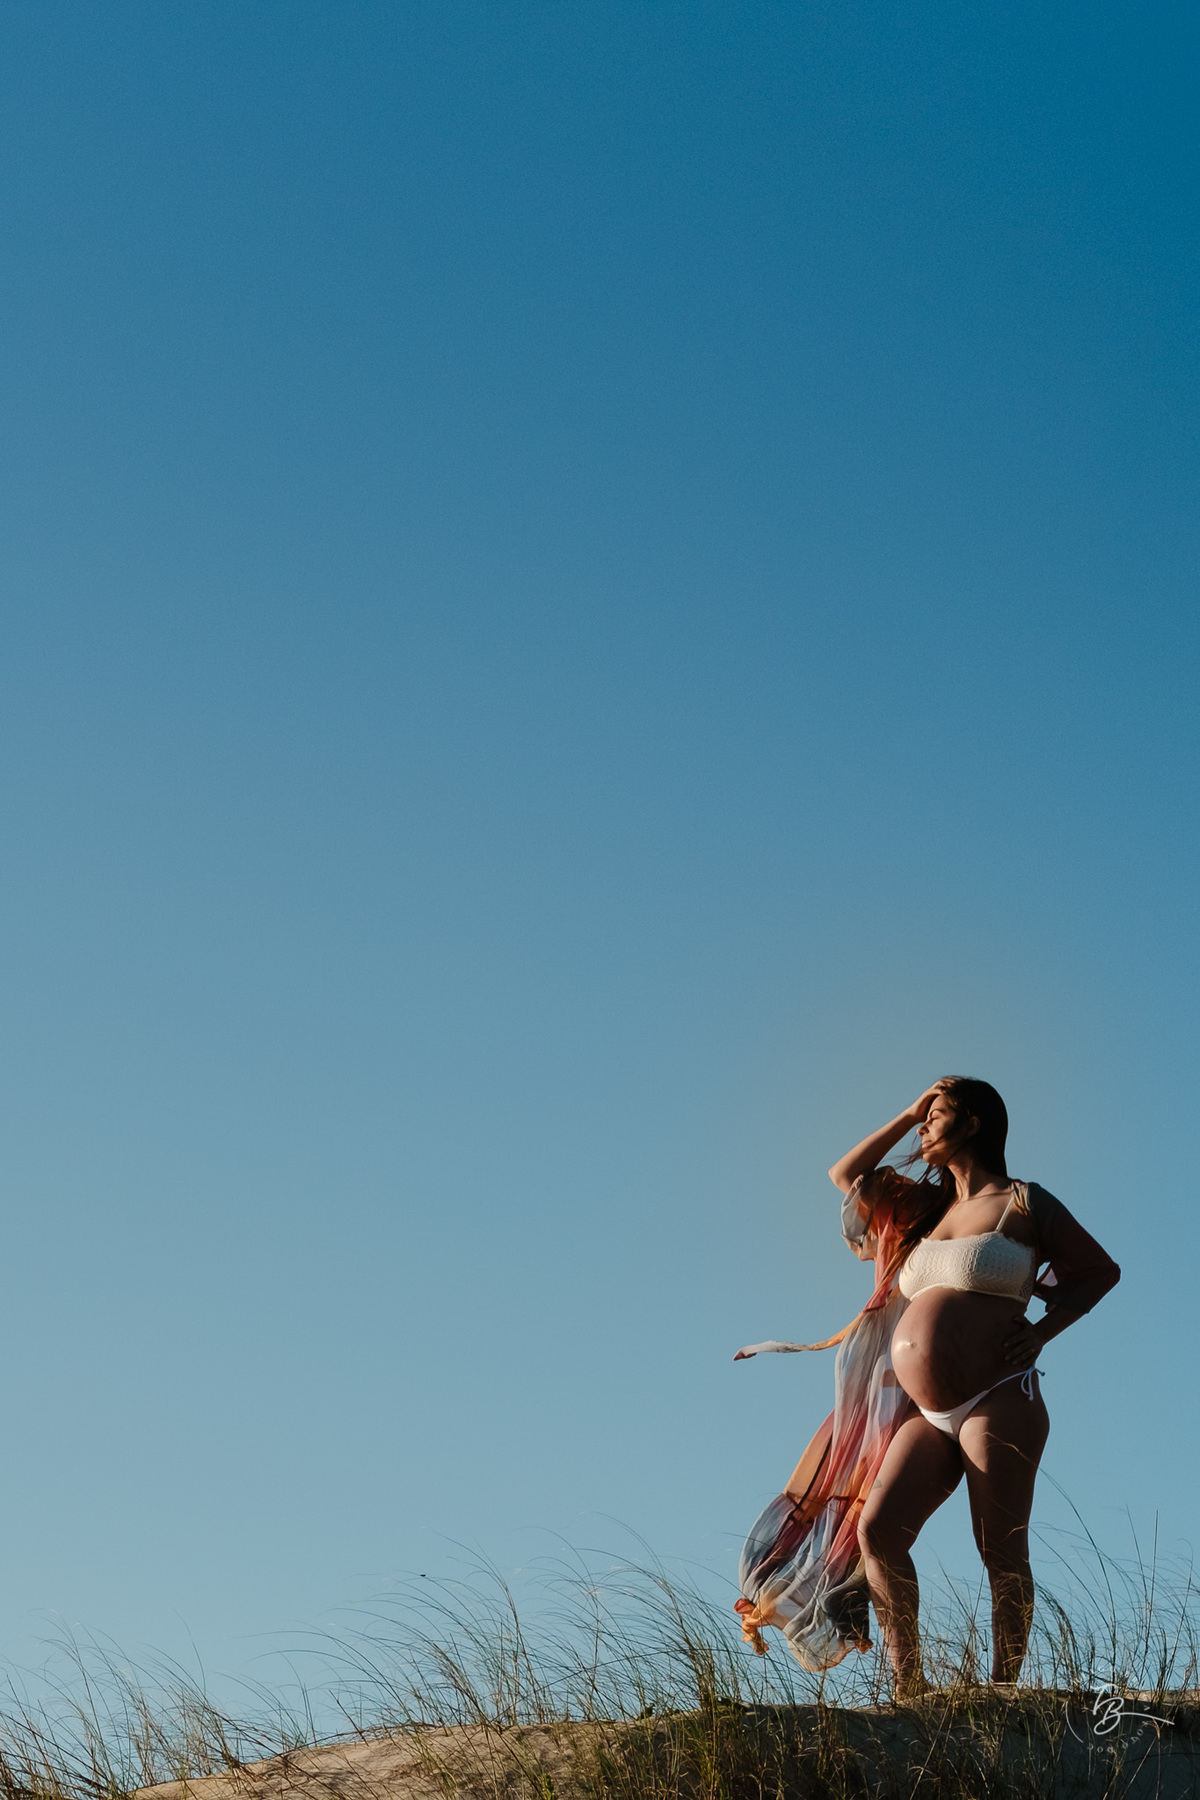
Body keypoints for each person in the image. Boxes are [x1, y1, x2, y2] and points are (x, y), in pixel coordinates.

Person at [734, 1077, 1120, 1698]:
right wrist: (909, 1108)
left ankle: (1001, 1690)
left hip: (997, 1396)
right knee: (878, 1531)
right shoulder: (925, 1212)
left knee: (999, 1549)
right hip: (925, 1410)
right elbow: (846, 1175)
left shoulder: (1024, 1202)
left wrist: (1046, 1331)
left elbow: (1100, 1271)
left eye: (934, 1117)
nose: (922, 1129)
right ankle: (908, 1689)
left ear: (972, 1124)